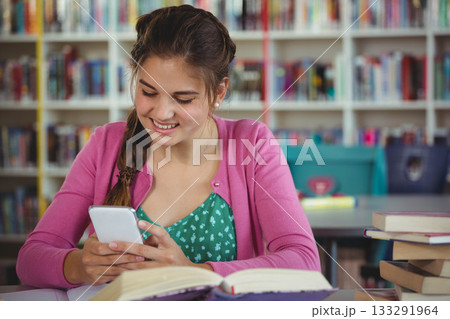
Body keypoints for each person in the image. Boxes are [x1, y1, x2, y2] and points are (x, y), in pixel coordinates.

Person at [16, 5, 320, 289]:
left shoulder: (253, 144)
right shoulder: (106, 144)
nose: (161, 114)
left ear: (219, 92)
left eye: (183, 99)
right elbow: (30, 258)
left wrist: (197, 273)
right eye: (148, 92)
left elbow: (305, 263)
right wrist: (79, 265)